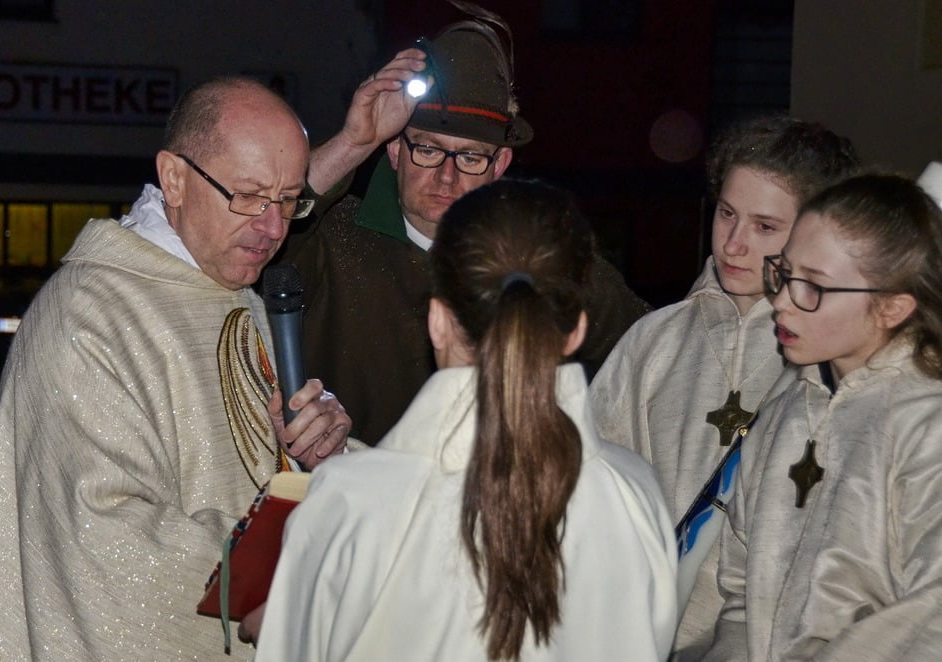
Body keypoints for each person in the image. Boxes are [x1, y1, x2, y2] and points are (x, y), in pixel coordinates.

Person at [0, 77, 352, 661]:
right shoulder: (89, 313)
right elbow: (102, 536)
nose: (274, 228)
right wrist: (289, 572)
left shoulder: (240, 297)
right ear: (174, 178)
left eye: (288, 201)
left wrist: (320, 458)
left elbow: (255, 475)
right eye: (249, 196)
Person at [247, 179, 678, 661]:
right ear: (576, 329)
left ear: (437, 320)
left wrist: (282, 621)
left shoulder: (351, 501)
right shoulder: (635, 493)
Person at [275, 3, 651, 444]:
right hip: (348, 483)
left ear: (500, 165)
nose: (446, 176)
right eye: (428, 150)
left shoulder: (542, 258)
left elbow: (653, 353)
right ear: (394, 151)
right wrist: (355, 142)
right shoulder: (327, 237)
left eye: (470, 157)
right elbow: (270, 219)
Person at [588, 114, 858, 658]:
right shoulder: (654, 341)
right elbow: (593, 492)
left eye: (765, 227)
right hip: (638, 636)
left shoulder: (835, 360)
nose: (734, 244)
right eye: (727, 214)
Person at [704, 173, 942, 660]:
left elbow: (928, 618)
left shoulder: (927, 428)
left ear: (892, 307)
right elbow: (740, 595)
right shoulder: (781, 416)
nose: (781, 300)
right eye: (784, 272)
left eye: (813, 286)